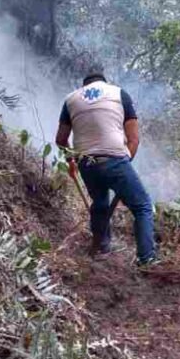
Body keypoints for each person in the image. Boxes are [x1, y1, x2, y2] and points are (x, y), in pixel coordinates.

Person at [55, 73, 158, 266]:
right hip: (115, 160)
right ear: (104, 82)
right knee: (142, 206)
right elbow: (134, 139)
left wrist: (71, 161)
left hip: (86, 163)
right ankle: (147, 259)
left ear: (84, 85)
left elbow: (61, 140)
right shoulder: (119, 93)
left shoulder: (71, 99)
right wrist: (125, 162)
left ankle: (102, 249)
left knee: (100, 203)